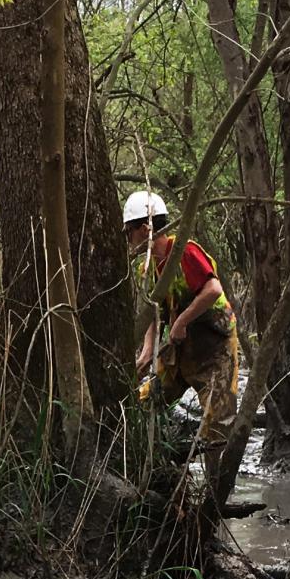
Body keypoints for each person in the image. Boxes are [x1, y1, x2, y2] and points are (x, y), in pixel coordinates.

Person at [123, 189, 238, 462]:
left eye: (129, 232)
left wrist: (182, 321)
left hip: (215, 352)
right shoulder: (148, 267)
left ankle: (214, 494)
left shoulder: (185, 251)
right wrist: (147, 349)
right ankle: (149, 463)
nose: (128, 240)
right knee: (145, 402)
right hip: (180, 353)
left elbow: (212, 289)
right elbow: (154, 310)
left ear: (144, 229)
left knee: (216, 427)